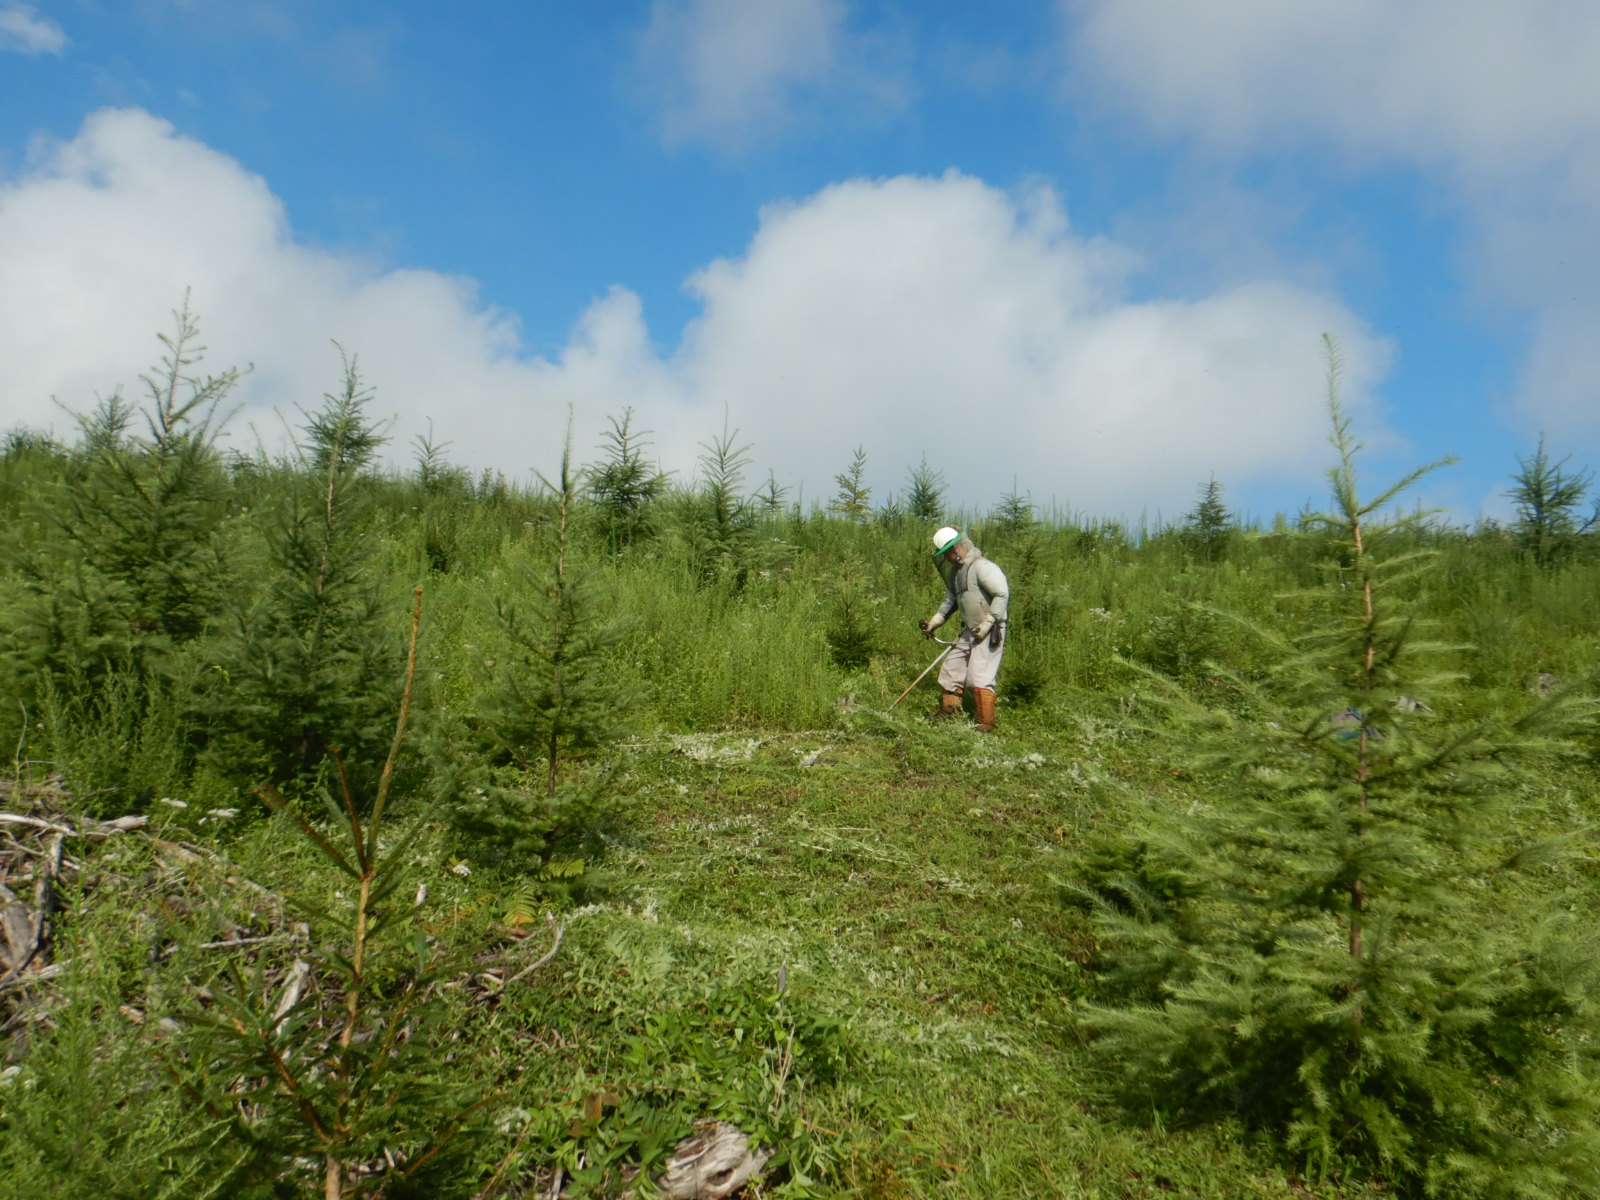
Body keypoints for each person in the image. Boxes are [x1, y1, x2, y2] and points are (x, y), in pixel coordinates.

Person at [920, 525, 1008, 732]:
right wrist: (933, 623)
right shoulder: (956, 573)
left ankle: (986, 723)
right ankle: (949, 713)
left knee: (979, 676)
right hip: (971, 630)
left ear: (956, 549)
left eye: (946, 553)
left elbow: (1002, 594)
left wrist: (987, 623)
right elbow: (950, 602)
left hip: (991, 629)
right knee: (952, 668)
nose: (946, 557)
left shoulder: (982, 567)